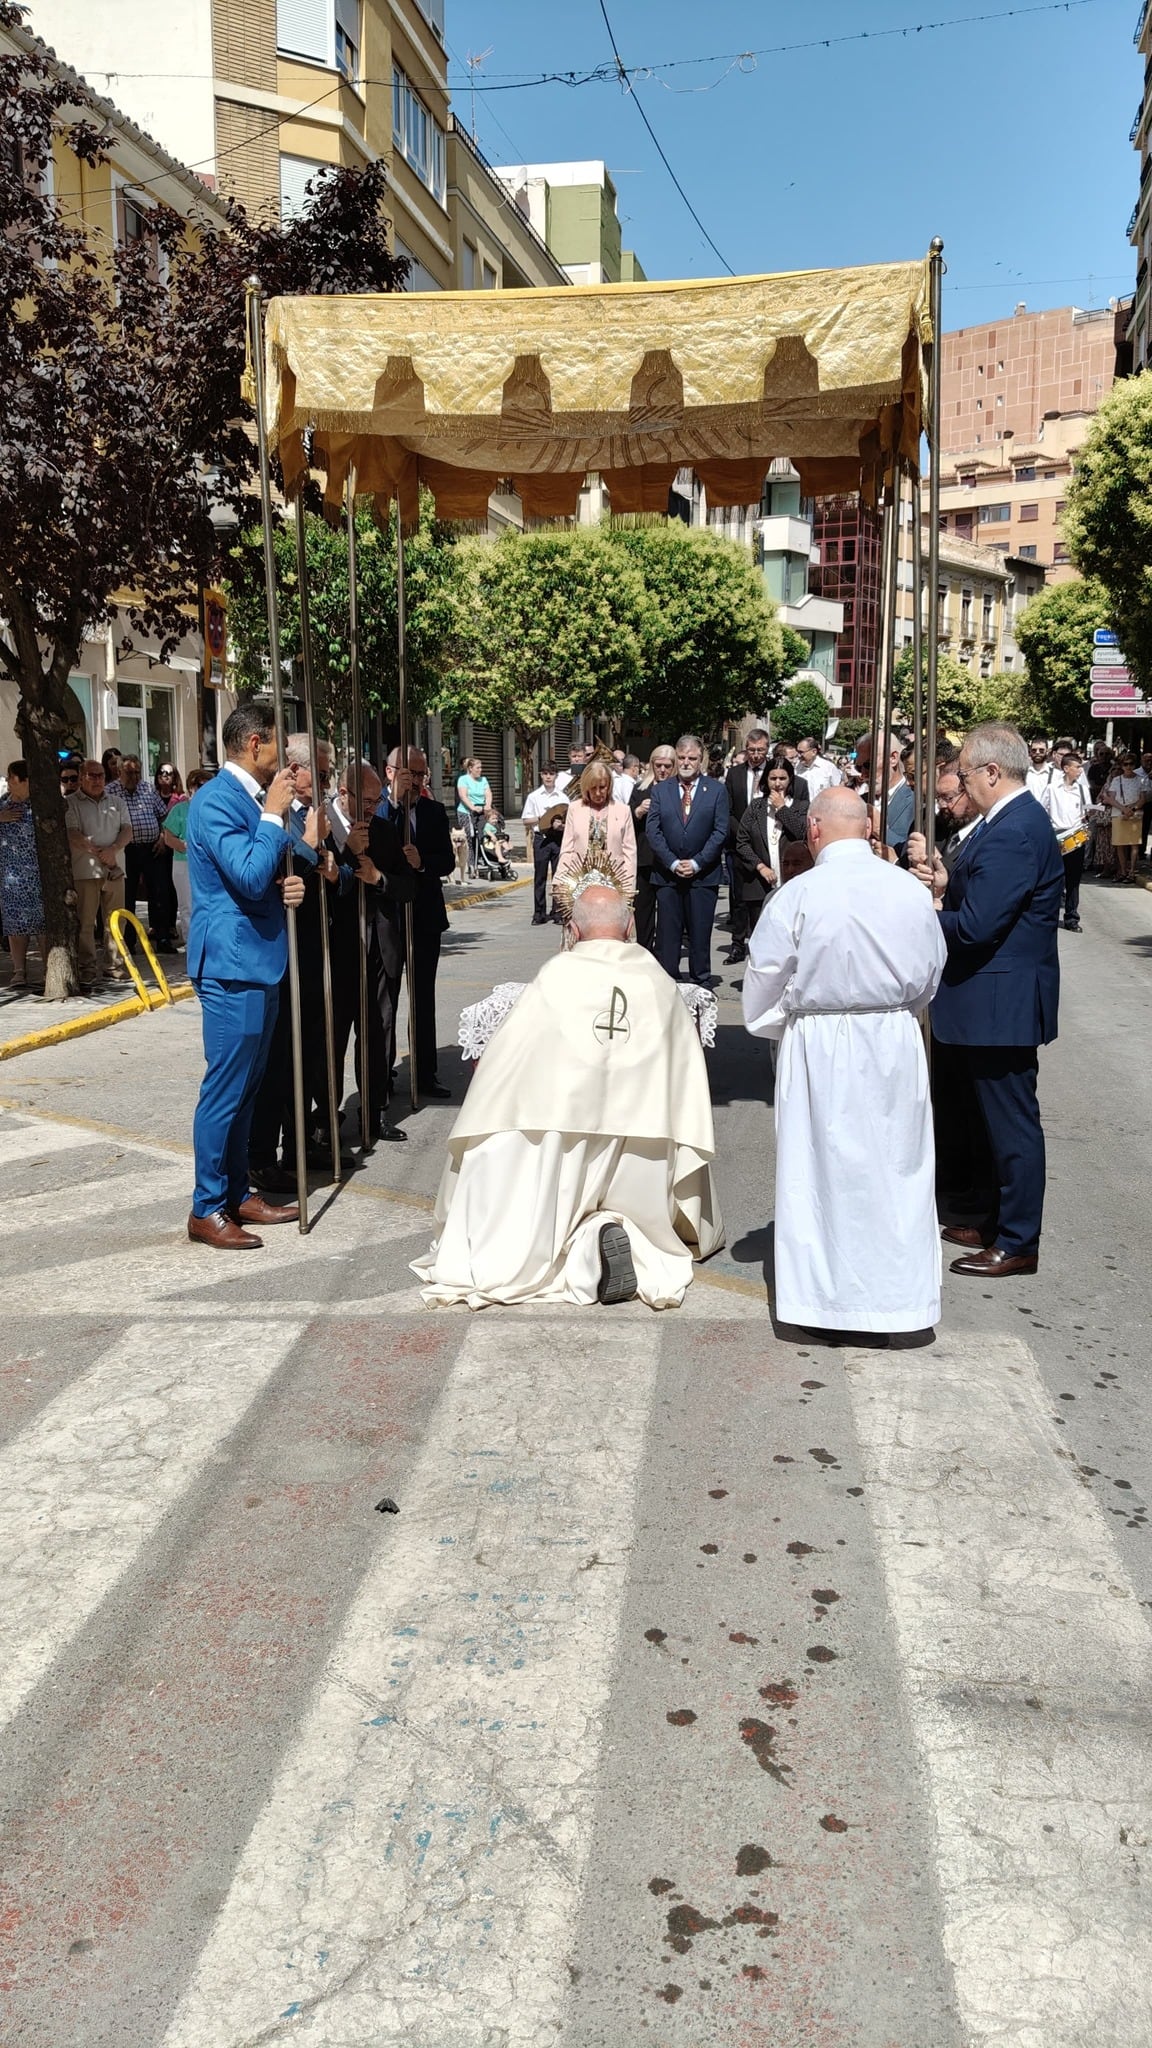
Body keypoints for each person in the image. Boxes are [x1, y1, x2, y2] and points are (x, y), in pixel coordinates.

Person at [413, 879, 724, 1309]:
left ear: (573, 931)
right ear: (630, 926)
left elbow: (504, 1068)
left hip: (556, 1145)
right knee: (640, 1204)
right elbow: (683, 1078)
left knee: (503, 1175)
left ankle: (585, 1245)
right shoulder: (658, 982)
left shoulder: (556, 977)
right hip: (643, 1147)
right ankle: (607, 1235)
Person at [742, 787, 945, 1334]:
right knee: (893, 1166)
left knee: (820, 1170)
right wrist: (892, 1010)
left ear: (813, 830)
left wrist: (792, 1023)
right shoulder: (907, 890)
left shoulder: (797, 895)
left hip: (819, 1043)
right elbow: (931, 972)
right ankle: (895, 1301)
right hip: (891, 1039)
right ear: (869, 828)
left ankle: (824, 1304)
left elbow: (763, 984)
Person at [911, 722, 1063, 1279]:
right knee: (985, 1124)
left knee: (1011, 1126)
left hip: (1002, 1004)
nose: (962, 783)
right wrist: (946, 884)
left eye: (966, 773)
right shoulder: (1002, 823)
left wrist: (925, 912)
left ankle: (1018, 1240)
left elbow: (977, 926)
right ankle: (993, 1218)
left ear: (993, 772)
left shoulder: (1014, 830)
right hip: (986, 1002)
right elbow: (978, 896)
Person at [185, 703, 316, 1249]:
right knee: (225, 1089)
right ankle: (206, 1207)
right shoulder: (217, 800)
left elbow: (285, 861)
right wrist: (273, 816)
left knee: (247, 1089)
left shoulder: (253, 799)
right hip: (231, 963)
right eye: (280, 749)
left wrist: (293, 881)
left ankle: (237, 1192)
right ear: (256, 743)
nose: (287, 763)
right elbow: (245, 872)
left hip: (259, 960)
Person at [328, 759, 416, 1144]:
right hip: (338, 948)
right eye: (365, 801)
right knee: (333, 1036)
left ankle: (374, 1110)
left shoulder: (383, 829)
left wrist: (378, 878)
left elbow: (408, 886)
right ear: (343, 793)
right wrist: (347, 853)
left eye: (377, 800)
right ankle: (326, 1116)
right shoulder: (324, 827)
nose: (372, 808)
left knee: (379, 1031)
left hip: (380, 945)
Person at [380, 745, 456, 1100]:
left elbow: (447, 861)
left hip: (425, 917)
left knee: (422, 998)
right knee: (385, 1001)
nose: (416, 781)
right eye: (409, 773)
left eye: (421, 774)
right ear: (391, 772)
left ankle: (426, 1073)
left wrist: (422, 861)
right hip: (389, 919)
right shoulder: (380, 809)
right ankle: (382, 1074)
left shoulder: (434, 812)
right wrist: (395, 802)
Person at [646, 733, 730, 986]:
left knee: (700, 934)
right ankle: (668, 982)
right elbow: (653, 831)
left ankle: (700, 982)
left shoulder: (716, 790)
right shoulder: (661, 790)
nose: (686, 762)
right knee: (668, 935)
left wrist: (697, 863)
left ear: (701, 759)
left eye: (692, 758)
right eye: (681, 757)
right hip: (667, 876)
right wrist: (672, 862)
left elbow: (720, 831)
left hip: (703, 876)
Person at [65, 759, 132, 989]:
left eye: (101, 775)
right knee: (85, 922)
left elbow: (128, 830)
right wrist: (98, 851)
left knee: (116, 919)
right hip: (85, 870)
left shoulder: (117, 802)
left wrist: (113, 850)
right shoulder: (70, 803)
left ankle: (114, 965)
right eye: (92, 775)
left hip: (114, 869)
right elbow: (72, 833)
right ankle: (87, 968)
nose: (97, 780)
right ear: (81, 777)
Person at [734, 758, 809, 933]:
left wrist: (782, 809)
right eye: (773, 778)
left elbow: (801, 833)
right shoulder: (756, 807)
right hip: (759, 886)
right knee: (760, 934)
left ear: (790, 780)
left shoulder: (801, 807)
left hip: (792, 883)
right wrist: (760, 866)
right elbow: (742, 841)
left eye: (782, 778)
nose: (777, 784)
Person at [117, 754, 176, 952]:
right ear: (119, 772)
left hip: (152, 847)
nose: (134, 777)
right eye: (129, 772)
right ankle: (128, 941)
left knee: (159, 892)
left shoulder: (148, 789)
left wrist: (162, 837)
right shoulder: (111, 791)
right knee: (127, 896)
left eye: (137, 772)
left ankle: (163, 938)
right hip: (126, 850)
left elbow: (164, 816)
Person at [722, 728, 769, 964]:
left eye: (760, 750)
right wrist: (742, 833)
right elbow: (728, 810)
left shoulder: (773, 772)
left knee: (766, 899)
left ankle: (765, 943)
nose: (756, 755)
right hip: (739, 844)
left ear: (767, 749)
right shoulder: (735, 774)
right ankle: (738, 944)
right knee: (739, 898)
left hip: (767, 844)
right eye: (752, 750)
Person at [557, 757, 637, 896]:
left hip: (614, 882)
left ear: (609, 786)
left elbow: (630, 853)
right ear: (586, 787)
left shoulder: (623, 810)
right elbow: (567, 849)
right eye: (593, 788)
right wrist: (559, 880)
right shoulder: (575, 809)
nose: (598, 793)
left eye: (602, 787)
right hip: (579, 882)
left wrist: (628, 889)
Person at [0, 762, 44, 988]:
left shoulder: (41, 803)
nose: (8, 781)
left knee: (43, 924)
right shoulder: (3, 803)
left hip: (40, 874)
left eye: (11, 777)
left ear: (25, 780)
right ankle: (19, 971)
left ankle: (49, 969)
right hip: (11, 876)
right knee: (14, 923)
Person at [629, 744, 676, 953]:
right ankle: (644, 952)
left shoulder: (679, 789)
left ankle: (665, 953)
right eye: (658, 765)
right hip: (645, 859)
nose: (662, 770)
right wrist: (638, 811)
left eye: (667, 766)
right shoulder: (640, 788)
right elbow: (626, 822)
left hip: (668, 860)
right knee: (643, 912)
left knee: (668, 913)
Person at [1040, 748, 1091, 931]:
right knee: (1055, 880)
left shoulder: (1083, 789)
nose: (1080, 770)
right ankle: (1050, 916)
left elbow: (1087, 811)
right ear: (1066, 768)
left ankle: (1071, 918)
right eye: (1077, 767)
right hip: (1056, 837)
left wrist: (1090, 814)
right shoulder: (1052, 788)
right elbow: (1042, 809)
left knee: (1073, 880)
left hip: (1076, 837)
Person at [161, 769, 213, 945]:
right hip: (185, 863)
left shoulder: (214, 809)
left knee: (209, 905)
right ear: (191, 787)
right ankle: (192, 945)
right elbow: (168, 838)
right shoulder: (180, 810)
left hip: (209, 863)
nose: (205, 789)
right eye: (200, 785)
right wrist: (187, 847)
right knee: (188, 907)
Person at [521, 761, 568, 925]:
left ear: (556, 776)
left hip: (557, 838)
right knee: (540, 876)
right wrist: (543, 818)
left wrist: (560, 825)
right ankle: (539, 913)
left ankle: (558, 912)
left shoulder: (562, 797)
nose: (548, 777)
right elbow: (526, 820)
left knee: (559, 877)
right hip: (541, 838)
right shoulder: (534, 796)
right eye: (545, 774)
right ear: (541, 775)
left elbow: (569, 820)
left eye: (551, 774)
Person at [1102, 751, 1150, 883]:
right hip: (1119, 813)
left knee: (1134, 844)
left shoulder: (1141, 780)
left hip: (1135, 814)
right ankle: (1123, 871)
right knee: (1120, 844)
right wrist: (1124, 809)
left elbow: (1143, 799)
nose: (1128, 767)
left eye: (1131, 764)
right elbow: (1111, 799)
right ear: (1122, 765)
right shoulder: (1116, 780)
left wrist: (1132, 809)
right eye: (1125, 764)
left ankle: (1132, 871)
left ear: (1135, 765)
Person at [455, 756, 491, 877]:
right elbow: (463, 796)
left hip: (481, 811)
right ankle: (471, 864)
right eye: (478, 768)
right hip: (466, 812)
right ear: (470, 768)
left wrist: (487, 805)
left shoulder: (483, 780)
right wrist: (472, 807)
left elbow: (488, 793)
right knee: (469, 837)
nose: (480, 770)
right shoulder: (463, 779)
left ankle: (483, 858)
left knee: (483, 834)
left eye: (481, 768)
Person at [795, 735, 842, 799]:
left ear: (814, 752)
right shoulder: (796, 768)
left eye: (801, 752)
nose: (798, 755)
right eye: (797, 752)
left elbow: (838, 790)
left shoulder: (829, 767)